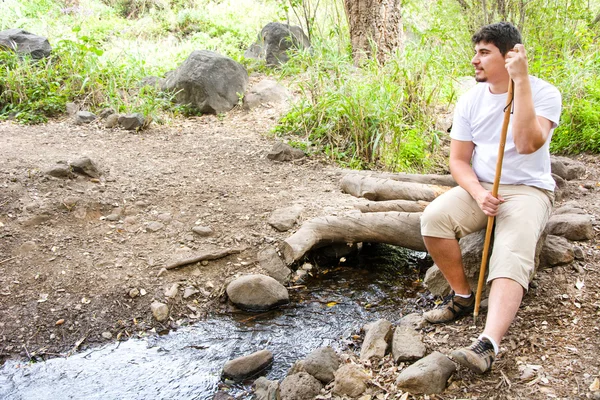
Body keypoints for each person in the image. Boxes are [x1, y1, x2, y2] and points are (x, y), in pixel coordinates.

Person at [419, 21, 562, 374]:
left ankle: (488, 343)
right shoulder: (470, 99)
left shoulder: (544, 93)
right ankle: (463, 297)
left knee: (511, 252)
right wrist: (480, 193)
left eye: (484, 53)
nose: (475, 60)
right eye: (476, 52)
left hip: (529, 189)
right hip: (484, 186)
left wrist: (522, 83)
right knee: (433, 219)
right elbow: (458, 160)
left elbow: (528, 144)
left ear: (510, 56)